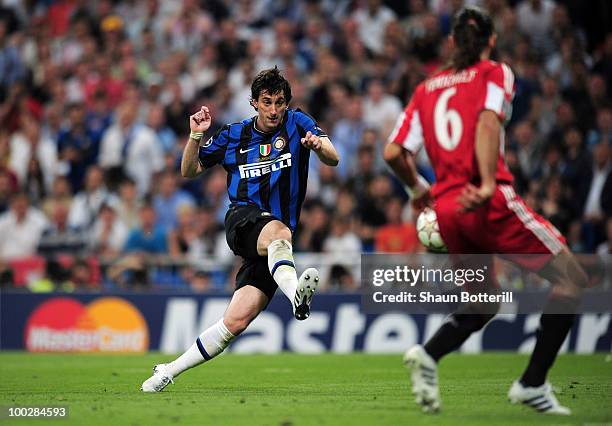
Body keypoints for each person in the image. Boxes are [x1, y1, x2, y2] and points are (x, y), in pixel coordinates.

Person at [384, 7, 587, 415]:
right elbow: (488, 122)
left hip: (447, 211)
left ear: (451, 43)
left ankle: (428, 354)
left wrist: (416, 188)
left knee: (481, 304)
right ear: (491, 41)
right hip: (485, 201)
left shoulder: (426, 90)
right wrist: (489, 182)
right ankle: (532, 383)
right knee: (573, 279)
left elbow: (393, 152)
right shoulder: (494, 72)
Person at [142, 67, 339, 392]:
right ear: (253, 103)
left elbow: (334, 157)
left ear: (286, 103)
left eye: (279, 102)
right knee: (279, 232)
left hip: (275, 251)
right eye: (266, 102)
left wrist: (318, 147)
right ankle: (296, 297)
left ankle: (167, 371)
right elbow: (189, 170)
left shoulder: (298, 122)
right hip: (243, 221)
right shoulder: (233, 134)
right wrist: (195, 135)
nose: (274, 110)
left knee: (235, 322)